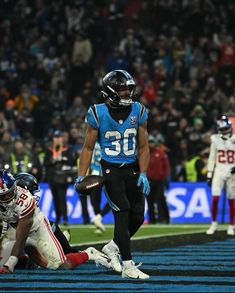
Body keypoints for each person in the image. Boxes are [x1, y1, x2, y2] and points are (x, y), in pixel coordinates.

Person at [75, 69, 150, 279]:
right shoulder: (97, 112)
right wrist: (81, 175)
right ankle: (128, 265)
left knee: (138, 216)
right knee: (122, 212)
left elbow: (144, 146)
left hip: (133, 168)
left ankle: (112, 248)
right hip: (111, 170)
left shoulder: (139, 110)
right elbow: (88, 148)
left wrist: (143, 173)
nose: (127, 92)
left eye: (128, 88)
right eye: (122, 89)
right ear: (110, 91)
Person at [0, 169, 110, 274]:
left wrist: (10, 264)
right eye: (4, 195)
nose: (9, 197)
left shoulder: (25, 200)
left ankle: (88, 253)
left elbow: (22, 236)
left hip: (36, 228)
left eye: (11, 192)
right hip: (15, 229)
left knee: (61, 265)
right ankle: (33, 258)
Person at [206, 115, 235, 236]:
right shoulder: (215, 139)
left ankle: (231, 225)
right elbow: (212, 157)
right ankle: (213, 223)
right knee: (215, 198)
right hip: (219, 170)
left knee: (231, 199)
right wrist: (209, 173)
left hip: (232, 172)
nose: (224, 131)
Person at [44, 130, 76, 225]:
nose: (57, 139)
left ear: (62, 138)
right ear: (53, 139)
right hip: (52, 177)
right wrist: (52, 160)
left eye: (59, 137)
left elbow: (72, 161)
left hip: (63, 178)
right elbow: (45, 163)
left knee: (62, 198)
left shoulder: (67, 149)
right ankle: (58, 218)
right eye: (55, 137)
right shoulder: (49, 149)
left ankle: (65, 218)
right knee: (55, 199)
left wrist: (63, 159)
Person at [146, 135, 170, 224]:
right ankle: (152, 220)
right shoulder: (145, 154)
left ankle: (163, 218)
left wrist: (165, 178)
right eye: (149, 142)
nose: (150, 144)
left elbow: (166, 167)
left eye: (152, 142)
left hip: (160, 180)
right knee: (150, 200)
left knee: (159, 199)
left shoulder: (161, 153)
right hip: (149, 181)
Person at [90, 142, 111, 234]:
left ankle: (99, 217)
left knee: (113, 197)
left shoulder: (109, 139)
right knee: (94, 201)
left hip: (107, 172)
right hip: (95, 172)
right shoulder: (92, 141)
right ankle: (98, 222)